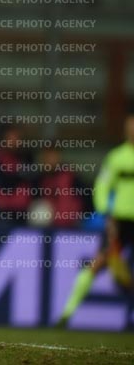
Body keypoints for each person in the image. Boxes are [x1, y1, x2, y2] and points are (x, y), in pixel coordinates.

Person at [57, 113, 134, 327]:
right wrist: (106, 213)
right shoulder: (116, 157)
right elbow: (102, 186)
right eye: (130, 127)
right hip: (120, 221)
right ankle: (67, 313)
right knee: (97, 263)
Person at [0, 124, 35, 225]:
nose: (14, 140)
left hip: (22, 214)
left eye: (17, 137)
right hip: (0, 214)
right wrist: (20, 175)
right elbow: (4, 185)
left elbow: (33, 181)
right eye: (11, 137)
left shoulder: (26, 158)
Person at [29, 146, 91, 228]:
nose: (51, 160)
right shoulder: (38, 179)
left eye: (53, 156)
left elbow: (86, 198)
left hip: (73, 223)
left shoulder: (70, 176)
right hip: (48, 225)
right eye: (48, 156)